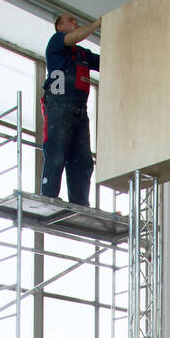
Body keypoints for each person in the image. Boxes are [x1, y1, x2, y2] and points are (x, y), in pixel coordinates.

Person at [41, 12, 101, 205]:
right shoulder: (57, 41)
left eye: (76, 20)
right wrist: (97, 24)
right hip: (58, 107)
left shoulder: (82, 54)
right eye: (71, 20)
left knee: (82, 161)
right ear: (60, 26)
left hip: (79, 111)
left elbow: (107, 60)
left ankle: (79, 202)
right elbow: (74, 37)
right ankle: (49, 196)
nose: (75, 22)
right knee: (57, 152)